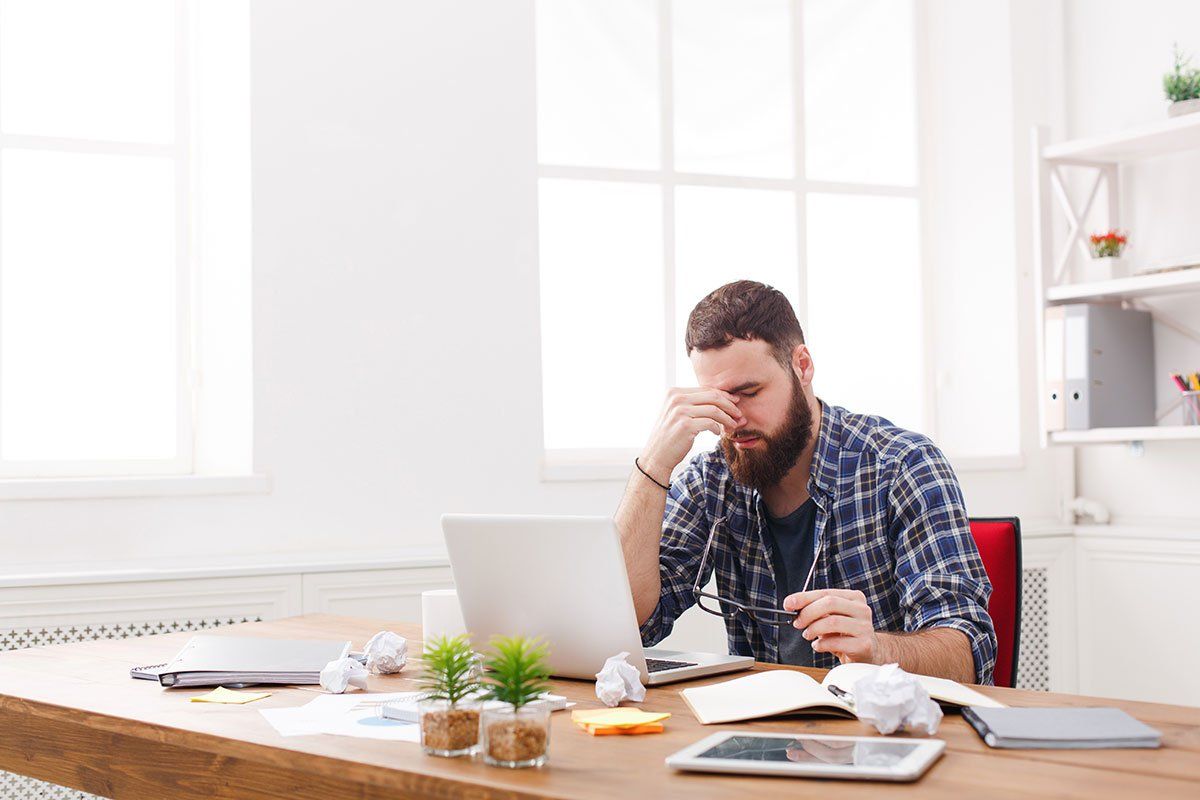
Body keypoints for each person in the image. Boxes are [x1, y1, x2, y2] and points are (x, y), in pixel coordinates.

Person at [616, 280, 996, 684]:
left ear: (803, 366)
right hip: (761, 734)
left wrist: (877, 649)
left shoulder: (901, 465)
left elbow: (969, 656)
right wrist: (654, 465)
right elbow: (630, 626)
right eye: (718, 400)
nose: (733, 419)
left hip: (883, 731)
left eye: (749, 392)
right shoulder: (712, 481)